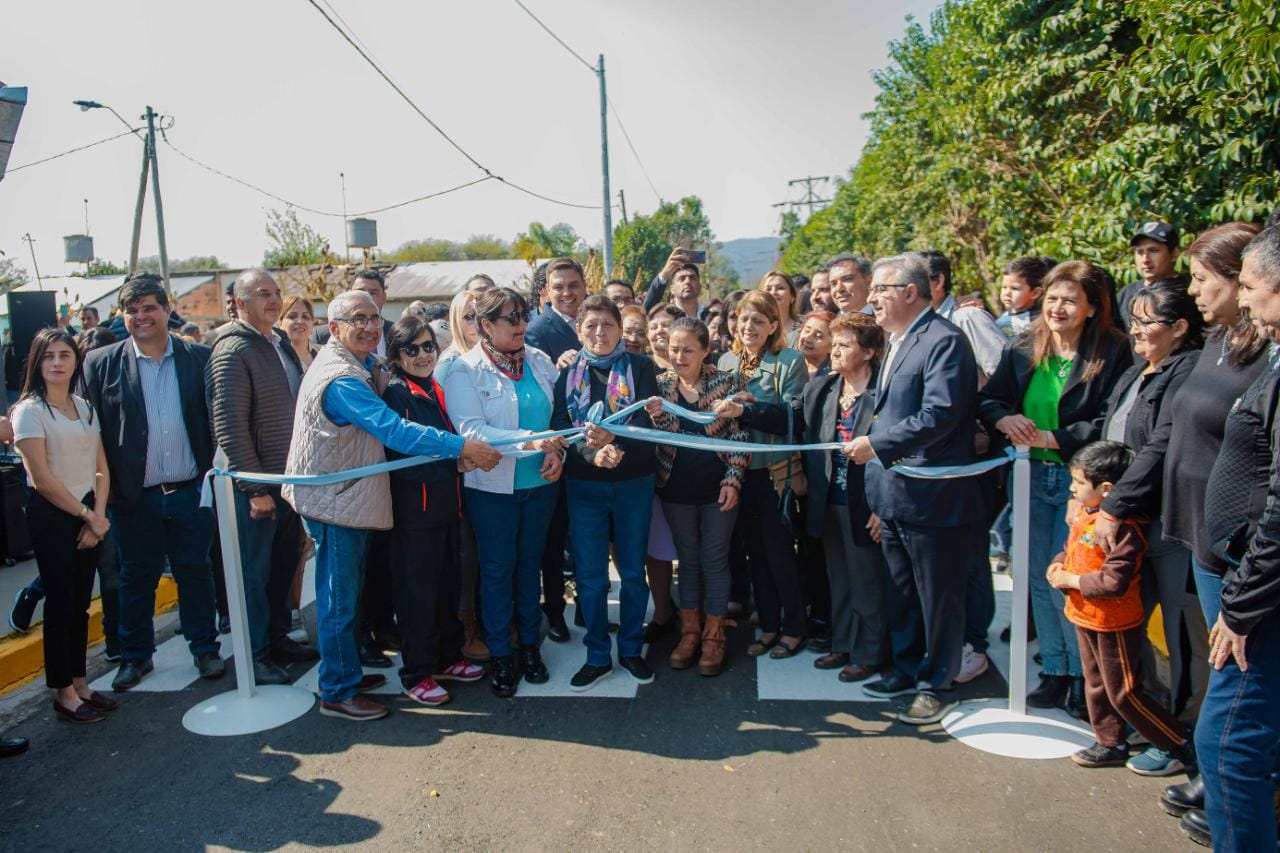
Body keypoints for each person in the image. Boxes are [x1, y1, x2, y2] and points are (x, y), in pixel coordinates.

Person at [282, 290, 500, 720]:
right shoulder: (342, 379)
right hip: (334, 501)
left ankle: (344, 669)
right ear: (335, 325)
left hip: (350, 499)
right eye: (357, 318)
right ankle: (337, 690)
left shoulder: (363, 366)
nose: (367, 326)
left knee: (351, 594)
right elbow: (395, 431)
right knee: (339, 599)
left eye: (373, 318)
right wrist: (463, 447)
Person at [979, 260, 1132, 715]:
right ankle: (1056, 669)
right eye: (1052, 298)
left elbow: (1110, 420)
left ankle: (1087, 681)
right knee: (1037, 577)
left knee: (1075, 578)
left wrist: (1057, 439)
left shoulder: (1114, 351)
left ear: (1092, 307)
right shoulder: (1025, 346)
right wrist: (1003, 418)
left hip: (1080, 484)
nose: (1058, 308)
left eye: (1070, 299)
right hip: (1027, 476)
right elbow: (991, 399)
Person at [844, 252, 985, 725]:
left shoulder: (944, 341)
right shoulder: (899, 340)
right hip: (895, 495)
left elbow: (940, 414)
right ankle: (906, 669)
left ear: (909, 292)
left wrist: (878, 445)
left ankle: (937, 683)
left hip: (931, 497)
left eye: (880, 290)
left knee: (937, 597)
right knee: (902, 592)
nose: (872, 299)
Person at [1156, 222, 1267, 819]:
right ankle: (1215, 773)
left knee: (1237, 678)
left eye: (1203, 279)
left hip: (1238, 543)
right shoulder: (1216, 342)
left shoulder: (1265, 357)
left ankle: (1237, 780)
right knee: (1210, 662)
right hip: (1196, 531)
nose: (1194, 292)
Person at [83, 273, 224, 691]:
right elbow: (92, 431)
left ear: (166, 310)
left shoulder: (198, 358)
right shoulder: (100, 363)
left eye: (149, 308)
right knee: (136, 577)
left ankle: (205, 649)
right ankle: (135, 657)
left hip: (189, 492)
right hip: (133, 498)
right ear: (122, 316)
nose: (141, 316)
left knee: (195, 572)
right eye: (132, 310)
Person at [1094, 279, 1208, 747]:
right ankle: (1138, 724)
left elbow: (1160, 444)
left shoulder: (1186, 371)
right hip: (1122, 521)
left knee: (1182, 637)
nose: (1135, 330)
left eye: (1147, 321)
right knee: (1128, 630)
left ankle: (1180, 736)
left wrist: (1115, 505)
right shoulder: (1137, 370)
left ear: (1180, 328)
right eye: (1133, 320)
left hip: (1161, 522)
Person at [1197, 223, 1280, 851]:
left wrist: (1242, 605)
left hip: (1261, 600)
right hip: (1246, 580)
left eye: (1250, 286)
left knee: (1225, 744)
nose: (1243, 301)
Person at [446, 287, 566, 698]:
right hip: (492, 491)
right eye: (510, 319)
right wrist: (531, 441)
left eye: (523, 316)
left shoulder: (539, 360)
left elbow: (560, 420)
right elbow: (472, 432)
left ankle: (530, 646)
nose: (520, 325)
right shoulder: (465, 370)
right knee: (497, 571)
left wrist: (558, 455)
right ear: (485, 325)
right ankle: (501, 653)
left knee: (528, 567)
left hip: (540, 485)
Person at [1047, 441, 1195, 771]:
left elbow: (1114, 581)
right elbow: (1073, 551)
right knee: (1096, 683)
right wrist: (1059, 565)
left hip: (1113, 622)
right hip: (1085, 616)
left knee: (1124, 692)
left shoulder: (1124, 528)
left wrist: (1071, 581)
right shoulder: (1087, 514)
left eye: (1078, 483)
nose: (1072, 489)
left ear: (1107, 489)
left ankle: (1178, 742)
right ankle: (1109, 741)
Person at [758, 313, 888, 683]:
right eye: (836, 342)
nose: (835, 350)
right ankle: (844, 644)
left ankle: (870, 653)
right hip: (828, 500)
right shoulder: (824, 388)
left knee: (867, 581)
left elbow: (898, 452)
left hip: (866, 503)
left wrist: (883, 507)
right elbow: (790, 416)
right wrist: (747, 409)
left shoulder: (884, 393)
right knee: (839, 578)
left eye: (845, 344)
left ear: (868, 351)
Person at [206, 270, 314, 687]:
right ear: (239, 303)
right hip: (256, 487)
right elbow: (228, 424)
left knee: (280, 569)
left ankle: (277, 639)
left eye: (275, 293)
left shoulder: (277, 343)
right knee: (252, 575)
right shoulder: (233, 350)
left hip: (286, 482)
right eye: (261, 294)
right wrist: (254, 489)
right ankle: (255, 656)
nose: (272, 300)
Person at [550, 295, 661, 690]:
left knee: (633, 572)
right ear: (579, 330)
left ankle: (631, 649)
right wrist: (593, 454)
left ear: (620, 327)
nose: (600, 333)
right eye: (591, 325)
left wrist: (620, 442)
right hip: (585, 486)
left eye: (608, 325)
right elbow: (562, 428)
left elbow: (653, 428)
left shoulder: (642, 368)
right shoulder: (567, 374)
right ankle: (597, 654)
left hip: (634, 483)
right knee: (591, 576)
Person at [381, 316, 486, 705]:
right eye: (412, 349)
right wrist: (455, 463)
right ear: (395, 355)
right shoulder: (396, 394)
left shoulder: (433, 387)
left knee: (447, 587)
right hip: (415, 514)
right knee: (417, 595)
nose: (424, 355)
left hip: (447, 508)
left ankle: (448, 656)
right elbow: (402, 455)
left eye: (428, 346)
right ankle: (416, 672)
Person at [12, 329, 115, 722]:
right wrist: (87, 516)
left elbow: (101, 468)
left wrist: (98, 516)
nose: (56, 363)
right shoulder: (30, 411)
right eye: (48, 356)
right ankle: (64, 693)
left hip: (90, 511)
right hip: (53, 515)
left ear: (76, 361)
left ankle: (82, 682)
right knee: (59, 605)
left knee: (79, 605)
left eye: (64, 355)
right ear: (37, 363)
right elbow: (41, 478)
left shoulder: (84, 406)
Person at [649, 318, 749, 676]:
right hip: (675, 488)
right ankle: (689, 633)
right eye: (674, 349)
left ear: (706, 351)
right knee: (688, 561)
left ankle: (714, 636)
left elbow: (740, 437)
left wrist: (734, 479)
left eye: (688, 349)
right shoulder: (659, 386)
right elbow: (657, 437)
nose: (679, 356)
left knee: (715, 558)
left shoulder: (727, 383)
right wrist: (656, 417)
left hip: (717, 487)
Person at [718, 291, 809, 659]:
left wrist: (748, 409)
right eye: (743, 318)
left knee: (779, 554)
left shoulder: (789, 361)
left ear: (773, 325)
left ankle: (794, 628)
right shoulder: (725, 360)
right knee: (754, 553)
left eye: (758, 320)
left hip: (774, 473)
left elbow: (793, 417)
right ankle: (769, 625)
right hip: (737, 473)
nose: (749, 326)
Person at [522, 259, 585, 644]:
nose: (566, 293)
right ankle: (555, 613)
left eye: (573, 285)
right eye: (558, 286)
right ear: (545, 290)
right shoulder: (537, 331)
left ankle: (586, 608)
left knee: (584, 536)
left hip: (591, 447)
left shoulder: (593, 321)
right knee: (553, 537)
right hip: (556, 444)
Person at [436, 288, 488, 662]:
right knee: (466, 558)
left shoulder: (495, 357)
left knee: (489, 556)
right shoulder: (449, 363)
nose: (475, 324)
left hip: (491, 472)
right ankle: (467, 627)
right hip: (459, 477)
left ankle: (491, 622)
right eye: (467, 317)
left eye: (480, 316)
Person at [921, 249, 1007, 380]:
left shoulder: (967, 317)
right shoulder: (915, 324)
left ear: (938, 281)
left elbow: (1003, 373)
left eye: (915, 281)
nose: (908, 289)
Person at [1117, 221, 1184, 328]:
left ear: (1174, 254)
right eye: (1140, 252)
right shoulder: (1126, 293)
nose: (1145, 259)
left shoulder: (1189, 292)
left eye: (1153, 251)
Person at [312, 269, 395, 354]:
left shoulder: (396, 332)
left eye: (373, 293)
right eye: (359, 292)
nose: (366, 297)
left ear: (384, 298)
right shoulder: (322, 335)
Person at [644, 248, 708, 320]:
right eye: (682, 278)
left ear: (699, 287)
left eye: (692, 278)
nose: (687, 281)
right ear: (672, 289)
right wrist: (665, 274)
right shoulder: (664, 317)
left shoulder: (711, 317)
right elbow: (646, 312)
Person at [996, 256, 1052, 338]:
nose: (1007, 293)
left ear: (1035, 293)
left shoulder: (1036, 321)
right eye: (1004, 287)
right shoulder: (1006, 315)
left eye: (1015, 288)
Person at [759, 270, 802, 345]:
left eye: (780, 288)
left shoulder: (805, 326)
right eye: (768, 289)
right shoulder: (755, 328)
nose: (773, 292)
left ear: (792, 296)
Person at [280, 294, 318, 372]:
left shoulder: (323, 355)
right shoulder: (275, 356)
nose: (300, 321)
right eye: (292, 316)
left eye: (305, 317)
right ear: (280, 322)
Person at [646, 304, 684, 372]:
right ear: (647, 334)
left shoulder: (693, 365)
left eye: (666, 325)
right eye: (653, 327)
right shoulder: (639, 366)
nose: (659, 331)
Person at [796, 311, 833, 377]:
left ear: (831, 346)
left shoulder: (833, 376)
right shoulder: (788, 364)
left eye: (818, 336)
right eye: (807, 331)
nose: (808, 339)